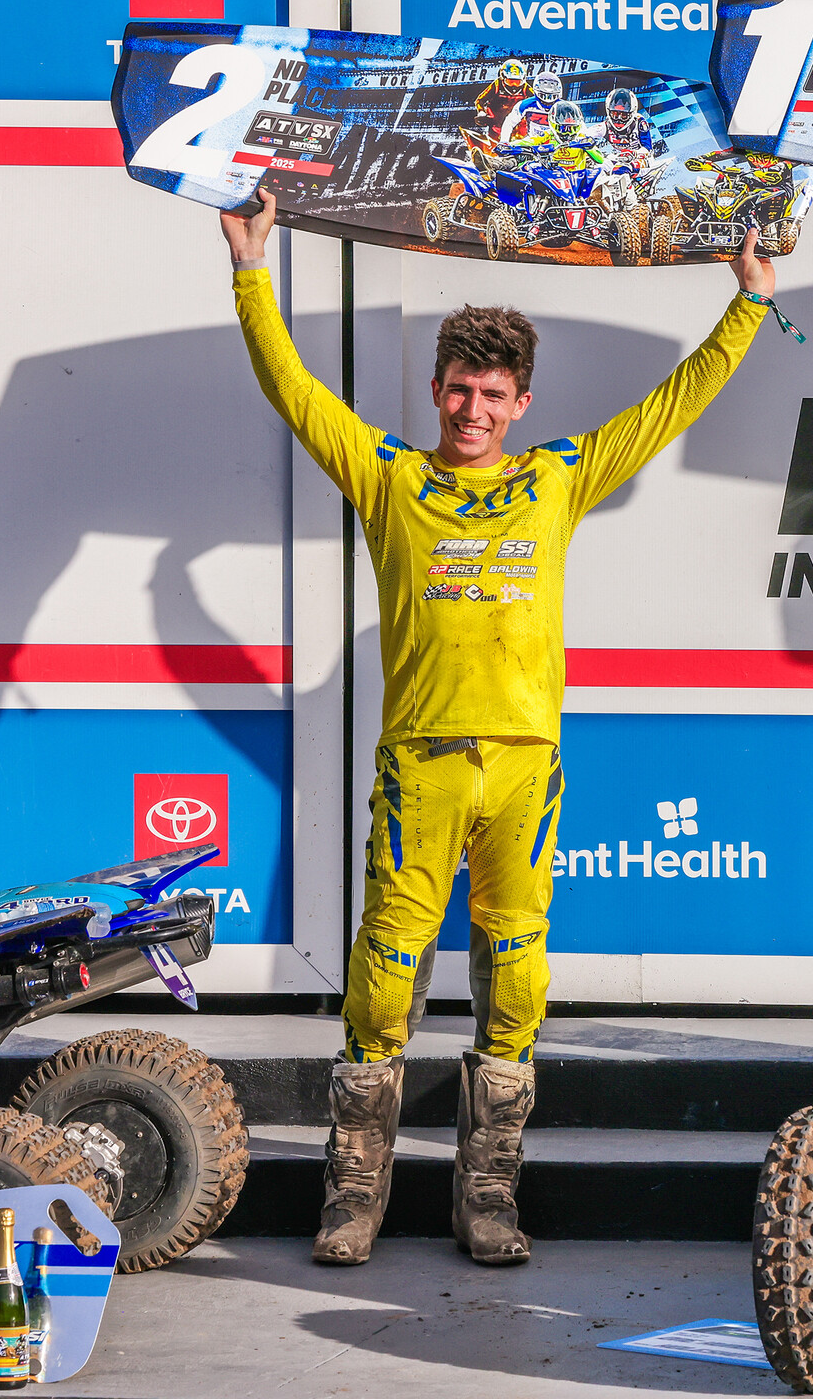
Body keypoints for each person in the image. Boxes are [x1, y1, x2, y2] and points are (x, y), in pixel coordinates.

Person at [217, 191, 779, 1266]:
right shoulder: (389, 477)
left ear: (523, 401)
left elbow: (665, 410)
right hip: (421, 768)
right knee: (385, 975)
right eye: (460, 389)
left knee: (515, 976)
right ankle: (356, 1193)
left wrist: (747, 307)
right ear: (436, 389)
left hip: (522, 770)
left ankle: (487, 1195)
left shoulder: (557, 479)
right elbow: (294, 391)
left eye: (494, 393)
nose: (474, 409)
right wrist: (252, 271)